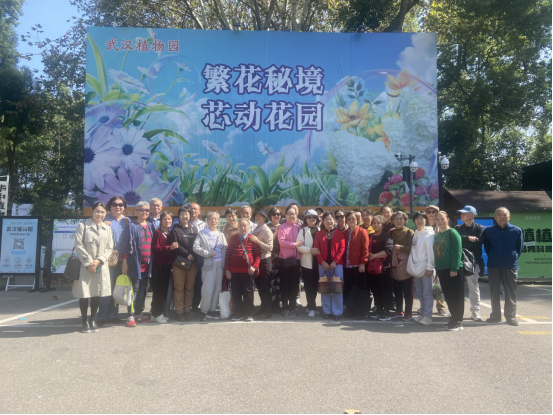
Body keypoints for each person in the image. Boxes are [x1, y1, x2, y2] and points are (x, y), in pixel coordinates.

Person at [73, 202, 113, 333]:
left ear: (105, 213)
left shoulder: (107, 228)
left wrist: (99, 261)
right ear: (92, 211)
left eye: (102, 212)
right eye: (97, 211)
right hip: (86, 266)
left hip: (100, 266)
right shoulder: (83, 226)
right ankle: (84, 321)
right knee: (84, 294)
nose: (99, 214)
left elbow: (109, 247)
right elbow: (78, 245)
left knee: (97, 293)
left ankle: (93, 320)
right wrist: (90, 263)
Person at [481, 207, 524, 326]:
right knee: (494, 291)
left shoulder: (516, 230)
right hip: (494, 264)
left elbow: (519, 248)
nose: (502, 217)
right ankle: (495, 316)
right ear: (495, 217)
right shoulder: (489, 231)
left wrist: (512, 257)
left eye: (504, 215)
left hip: (510, 265)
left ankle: (511, 317)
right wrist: (494, 256)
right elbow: (487, 247)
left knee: (511, 291)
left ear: (509, 217)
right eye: (499, 215)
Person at [97, 196, 131, 327]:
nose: (118, 207)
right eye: (115, 204)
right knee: (106, 287)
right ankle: (101, 316)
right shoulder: (104, 219)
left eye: (121, 204)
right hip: (106, 258)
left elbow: (128, 242)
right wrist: (101, 226)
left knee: (117, 288)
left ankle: (113, 315)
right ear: (110, 206)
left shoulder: (126, 221)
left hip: (122, 259)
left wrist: (125, 261)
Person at [193, 212, 228, 322]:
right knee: (207, 289)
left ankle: (212, 310)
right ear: (207, 221)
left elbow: (225, 249)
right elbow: (195, 247)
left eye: (215, 219)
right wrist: (208, 253)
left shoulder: (221, 234)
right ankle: (204, 311)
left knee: (217, 288)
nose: (213, 221)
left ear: (218, 221)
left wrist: (225, 265)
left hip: (220, 265)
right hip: (208, 264)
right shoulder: (202, 233)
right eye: (211, 219)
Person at [126, 201, 156, 327]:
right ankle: (130, 316)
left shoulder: (151, 226)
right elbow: (126, 245)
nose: (144, 212)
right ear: (136, 211)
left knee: (143, 290)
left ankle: (139, 314)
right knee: (133, 291)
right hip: (135, 265)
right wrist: (124, 262)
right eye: (141, 209)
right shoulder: (132, 226)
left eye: (147, 210)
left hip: (148, 265)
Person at [433, 211, 464, 332]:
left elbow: (457, 252)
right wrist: (437, 270)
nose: (440, 221)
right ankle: (453, 319)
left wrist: (454, 269)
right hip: (441, 269)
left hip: (453, 269)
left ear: (447, 219)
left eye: (442, 219)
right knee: (448, 296)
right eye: (437, 219)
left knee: (456, 296)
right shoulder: (437, 235)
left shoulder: (453, 233)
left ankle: (458, 321)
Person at [225, 219, 261, 322]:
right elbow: (228, 255)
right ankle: (238, 313)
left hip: (248, 271)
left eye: (245, 226)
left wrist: (254, 266)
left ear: (249, 227)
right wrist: (227, 270)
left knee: (248, 293)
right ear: (238, 227)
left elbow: (258, 254)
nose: (243, 228)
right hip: (234, 271)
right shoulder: (232, 239)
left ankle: (248, 313)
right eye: (241, 225)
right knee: (236, 292)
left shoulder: (252, 239)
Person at [167, 206, 198, 322]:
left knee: (190, 287)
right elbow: (175, 245)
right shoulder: (175, 229)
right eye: (182, 214)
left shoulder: (194, 229)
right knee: (179, 288)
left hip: (192, 263)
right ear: (178, 216)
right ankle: (179, 312)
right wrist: (187, 254)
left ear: (190, 215)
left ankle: (187, 310)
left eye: (187, 214)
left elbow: (197, 244)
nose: (185, 216)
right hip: (179, 263)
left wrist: (193, 255)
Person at [454, 205, 485, 322]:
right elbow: (455, 240)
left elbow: (477, 243)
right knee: (457, 287)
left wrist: (463, 240)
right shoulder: (457, 227)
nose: (461, 215)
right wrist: (468, 238)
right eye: (461, 213)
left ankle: (475, 311)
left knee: (473, 287)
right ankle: (455, 310)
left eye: (464, 213)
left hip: (473, 261)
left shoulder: (479, 228)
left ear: (472, 215)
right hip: (458, 261)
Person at [314, 212, 346, 322]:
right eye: (326, 219)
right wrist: (322, 262)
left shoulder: (339, 233)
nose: (329, 221)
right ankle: (327, 311)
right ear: (323, 222)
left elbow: (342, 248)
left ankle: (337, 312)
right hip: (322, 265)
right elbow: (316, 249)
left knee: (337, 288)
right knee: (325, 288)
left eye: (331, 219)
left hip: (337, 265)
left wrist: (335, 262)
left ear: (334, 221)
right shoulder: (319, 234)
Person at [409, 212, 436, 326]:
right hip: (417, 267)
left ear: (426, 220)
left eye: (422, 218)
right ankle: (423, 313)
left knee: (427, 292)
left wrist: (430, 267)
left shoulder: (429, 234)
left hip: (426, 267)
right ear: (414, 221)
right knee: (420, 292)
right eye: (417, 219)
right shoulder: (416, 233)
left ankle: (428, 316)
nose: (419, 221)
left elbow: (431, 252)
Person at [367, 215, 394, 321]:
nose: (376, 225)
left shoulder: (386, 236)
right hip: (372, 268)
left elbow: (388, 250)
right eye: (374, 223)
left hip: (384, 268)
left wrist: (374, 256)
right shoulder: (370, 236)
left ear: (382, 224)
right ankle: (379, 309)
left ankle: (387, 311)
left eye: (378, 223)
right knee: (375, 290)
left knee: (385, 289)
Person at [343, 211, 369, 316]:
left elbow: (365, 249)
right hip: (346, 266)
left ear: (357, 220)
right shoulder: (344, 233)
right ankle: (349, 308)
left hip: (358, 266)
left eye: (353, 218)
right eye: (349, 219)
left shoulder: (362, 232)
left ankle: (359, 310)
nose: (351, 220)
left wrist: (363, 263)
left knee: (359, 288)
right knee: (348, 287)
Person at [249, 208, 274, 319]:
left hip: (265, 260)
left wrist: (258, 242)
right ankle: (263, 308)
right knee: (260, 286)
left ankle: (267, 311)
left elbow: (270, 248)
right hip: (257, 261)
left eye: (260, 216)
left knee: (264, 287)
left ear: (265, 218)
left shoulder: (266, 230)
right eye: (256, 216)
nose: (258, 217)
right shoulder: (256, 228)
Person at [390, 211, 415, 321]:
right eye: (396, 219)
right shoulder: (391, 232)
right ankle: (399, 310)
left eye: (401, 219)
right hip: (394, 263)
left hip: (406, 263)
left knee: (407, 290)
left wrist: (400, 248)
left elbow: (412, 248)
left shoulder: (409, 232)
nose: (399, 221)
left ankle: (408, 312)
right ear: (393, 221)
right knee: (397, 289)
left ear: (405, 221)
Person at [296, 210, 321, 318]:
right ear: (306, 219)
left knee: (315, 286)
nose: (312, 219)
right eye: (309, 217)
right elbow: (298, 246)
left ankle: (310, 306)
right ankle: (312, 308)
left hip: (319, 263)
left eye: (314, 217)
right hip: (307, 263)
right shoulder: (302, 231)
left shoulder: (320, 230)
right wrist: (309, 250)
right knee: (309, 286)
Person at [278, 206, 302, 317]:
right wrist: (295, 245)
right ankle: (285, 307)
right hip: (285, 260)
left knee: (294, 285)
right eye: (289, 214)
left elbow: (302, 242)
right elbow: (282, 242)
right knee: (284, 284)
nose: (292, 216)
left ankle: (292, 308)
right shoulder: (282, 227)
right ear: (286, 215)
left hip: (296, 260)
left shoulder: (299, 228)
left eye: (294, 214)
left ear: (296, 215)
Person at [150, 211, 174, 324]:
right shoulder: (158, 233)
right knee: (158, 290)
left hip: (168, 265)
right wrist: (169, 247)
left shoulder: (171, 233)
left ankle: (155, 313)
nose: (167, 221)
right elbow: (155, 248)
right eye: (165, 219)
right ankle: (156, 314)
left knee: (164, 290)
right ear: (161, 221)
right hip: (159, 265)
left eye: (169, 219)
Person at [426, 204, 447, 316]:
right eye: (428, 212)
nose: (431, 214)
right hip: (426, 260)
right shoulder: (423, 226)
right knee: (426, 286)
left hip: (439, 259)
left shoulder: (441, 227)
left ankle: (440, 307)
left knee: (439, 284)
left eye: (433, 212)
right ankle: (425, 306)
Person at [189, 203, 206, 313]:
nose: (193, 211)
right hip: (187, 257)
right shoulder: (184, 223)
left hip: (199, 257)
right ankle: (186, 305)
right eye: (191, 209)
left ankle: (195, 305)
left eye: (195, 209)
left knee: (199, 282)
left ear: (199, 211)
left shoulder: (203, 225)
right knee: (188, 283)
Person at [267, 207, 283, 313]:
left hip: (281, 256)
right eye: (274, 214)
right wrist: (276, 232)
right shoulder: (267, 227)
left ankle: (278, 302)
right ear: (270, 216)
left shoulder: (283, 226)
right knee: (271, 280)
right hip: (271, 256)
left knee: (280, 280)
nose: (276, 216)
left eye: (278, 214)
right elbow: (267, 243)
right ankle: (271, 303)